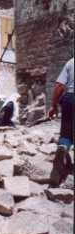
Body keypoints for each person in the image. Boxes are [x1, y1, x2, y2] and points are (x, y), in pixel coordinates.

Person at [48, 57, 74, 187]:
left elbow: (59, 85)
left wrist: (53, 106)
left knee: (66, 131)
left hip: (70, 98)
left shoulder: (71, 62)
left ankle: (63, 146)